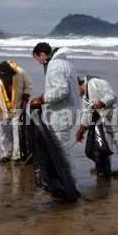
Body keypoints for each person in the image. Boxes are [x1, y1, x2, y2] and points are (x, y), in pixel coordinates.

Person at [30, 42, 79, 176]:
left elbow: (61, 90)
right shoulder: (65, 63)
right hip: (69, 110)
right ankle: (65, 180)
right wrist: (43, 97)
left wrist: (42, 100)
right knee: (61, 149)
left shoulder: (54, 66)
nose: (39, 63)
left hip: (61, 114)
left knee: (61, 151)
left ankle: (69, 183)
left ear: (42, 54)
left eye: (37, 59)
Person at [76, 75, 118, 177]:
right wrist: (81, 130)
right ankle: (105, 168)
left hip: (117, 116)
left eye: (76, 88)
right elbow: (86, 113)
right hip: (105, 120)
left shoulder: (95, 82)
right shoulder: (85, 97)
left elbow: (111, 96)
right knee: (105, 145)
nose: (76, 91)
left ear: (80, 83)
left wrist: (102, 102)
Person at [0, 60, 32, 163]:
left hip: (18, 107)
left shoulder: (20, 72)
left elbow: (28, 86)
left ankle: (17, 156)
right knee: (4, 132)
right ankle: (6, 154)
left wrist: (25, 99)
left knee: (17, 132)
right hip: (2, 109)